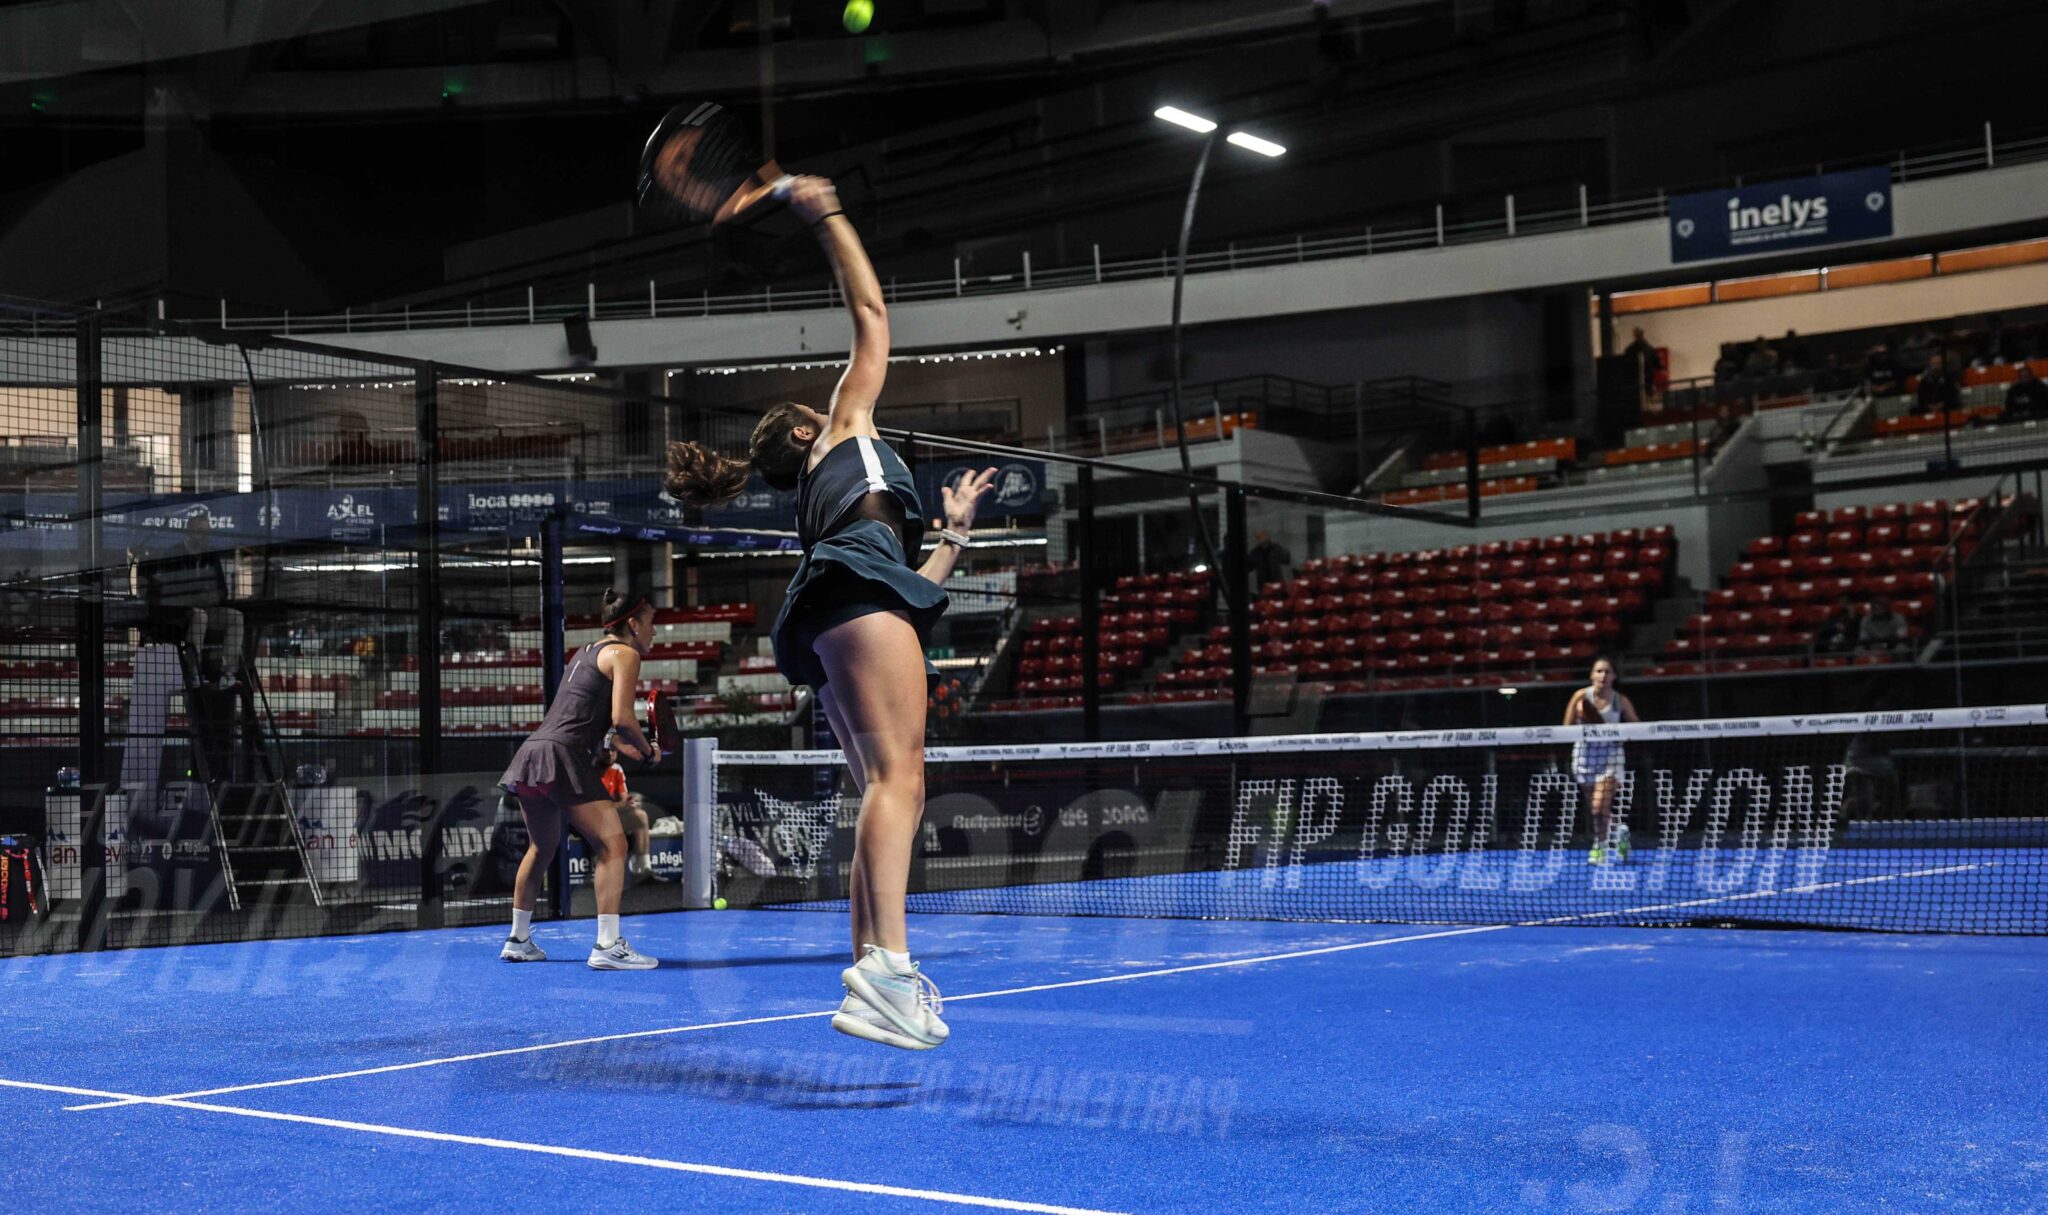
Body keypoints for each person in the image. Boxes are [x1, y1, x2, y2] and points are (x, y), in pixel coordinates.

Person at [662, 176, 998, 1051]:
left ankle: (869, 971)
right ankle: (888, 969)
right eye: (822, 406)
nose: (839, 398)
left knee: (885, 790)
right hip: (854, 595)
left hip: (841, 605)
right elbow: (872, 315)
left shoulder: (825, 499)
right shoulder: (847, 424)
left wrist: (954, 534)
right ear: (809, 430)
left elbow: (905, 584)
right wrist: (828, 215)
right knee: (899, 783)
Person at [496, 586, 663, 970]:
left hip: (533, 752)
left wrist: (620, 745)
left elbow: (586, 719)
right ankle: (607, 945)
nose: (654, 631)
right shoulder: (626, 654)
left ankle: (518, 940)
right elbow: (622, 718)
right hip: (562, 756)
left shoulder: (584, 652)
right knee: (614, 843)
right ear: (633, 624)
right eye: (651, 622)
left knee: (541, 847)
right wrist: (649, 750)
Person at [1564, 657, 1640, 865]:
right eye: (1599, 671)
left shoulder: (1620, 701)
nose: (1603, 675)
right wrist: (1586, 722)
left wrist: (1616, 733)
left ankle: (1599, 847)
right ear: (1591, 675)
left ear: (1614, 676)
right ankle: (1619, 832)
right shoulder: (1580, 696)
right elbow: (1565, 728)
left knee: (1598, 808)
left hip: (1611, 759)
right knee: (1598, 811)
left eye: (1607, 671)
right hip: (1584, 757)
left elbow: (1637, 728)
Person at [1913, 351, 1961, 415]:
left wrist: (1941, 404)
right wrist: (1928, 406)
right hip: (1928, 409)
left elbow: (1953, 397)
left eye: (1938, 363)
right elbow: (1921, 399)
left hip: (1946, 408)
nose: (1935, 366)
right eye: (1933, 363)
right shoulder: (1925, 381)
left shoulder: (1950, 379)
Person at [1623, 328, 1659, 401]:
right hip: (1642, 376)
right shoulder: (1648, 348)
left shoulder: (1631, 349)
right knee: (1644, 395)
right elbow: (1656, 361)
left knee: (1641, 396)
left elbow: (1655, 361)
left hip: (1639, 377)